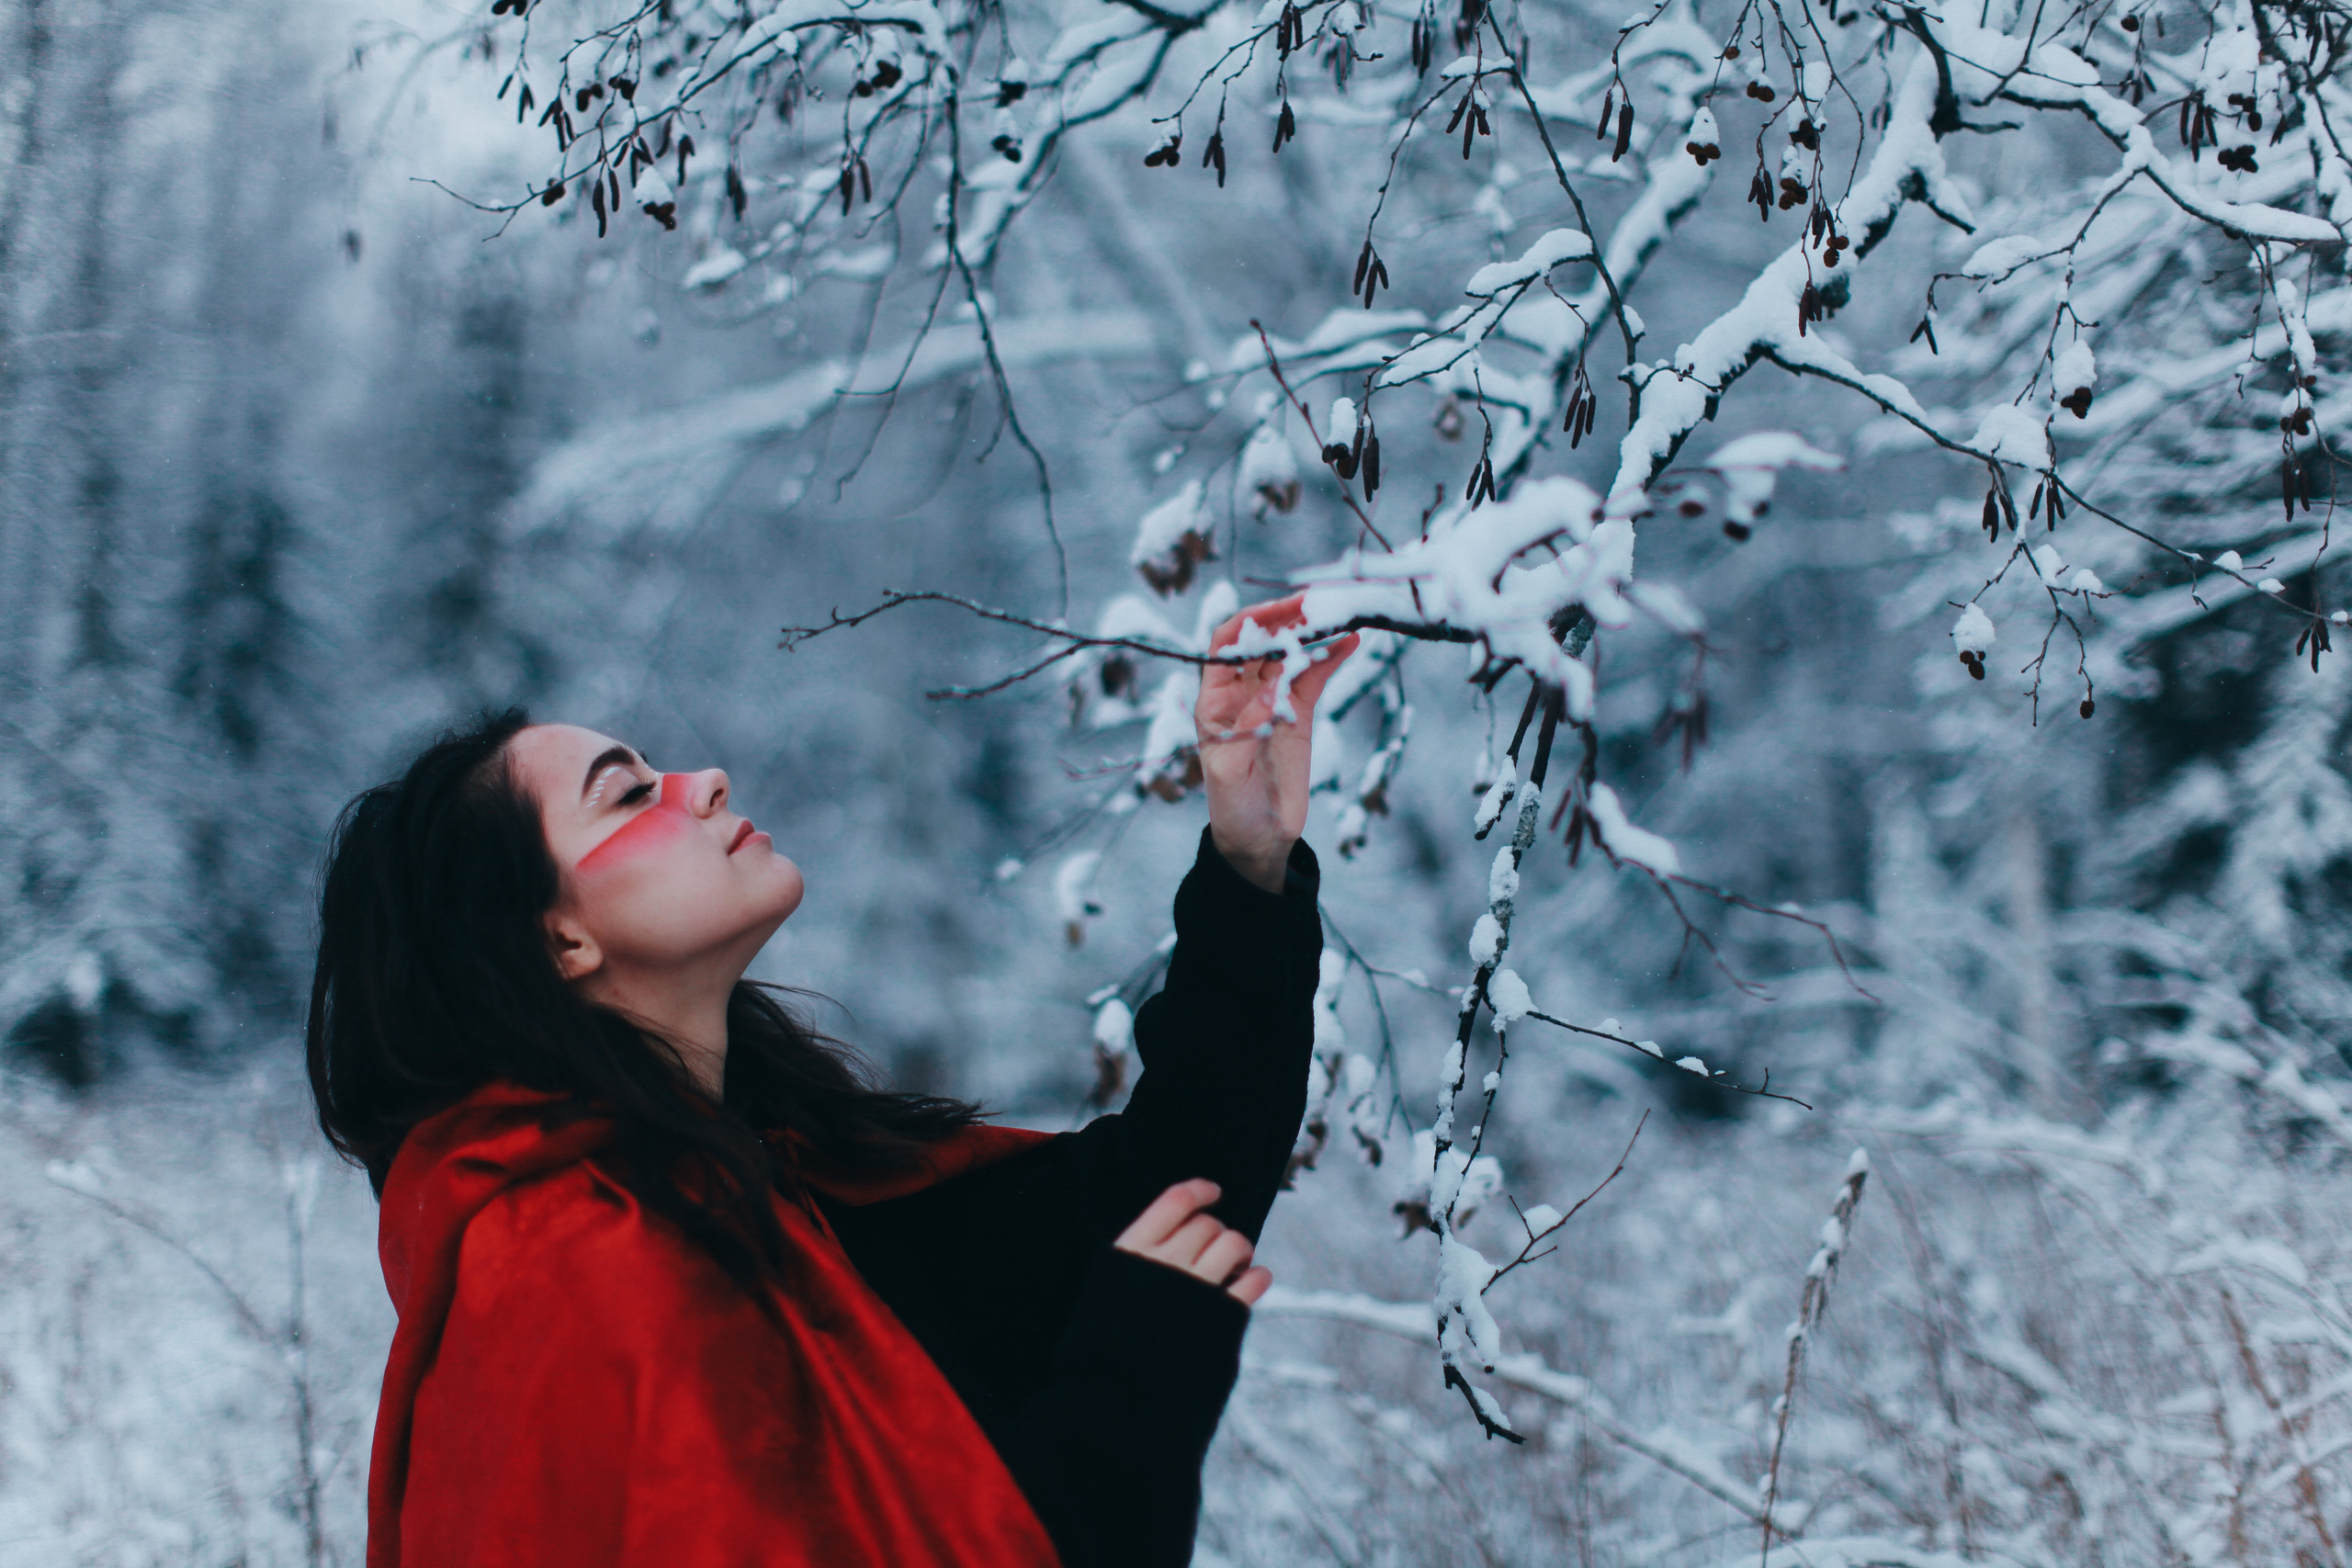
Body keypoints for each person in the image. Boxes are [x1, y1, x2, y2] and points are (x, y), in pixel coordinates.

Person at [306, 596, 1359, 1568]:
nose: (706, 779)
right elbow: (1141, 1310)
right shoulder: (574, 1277)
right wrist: (1133, 1392)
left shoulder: (795, 1197)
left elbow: (1174, 1195)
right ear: (561, 940)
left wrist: (1249, 855)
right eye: (630, 794)